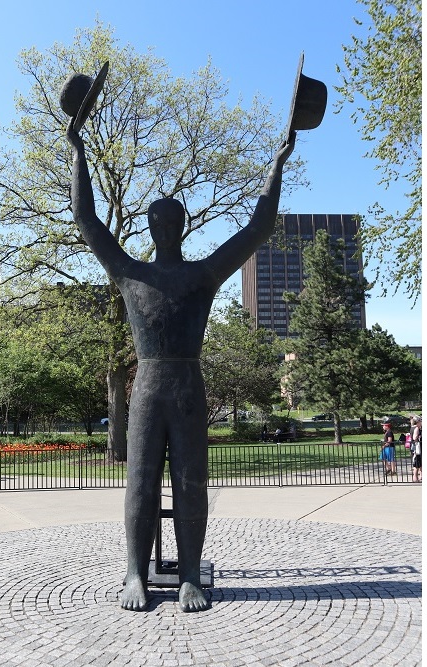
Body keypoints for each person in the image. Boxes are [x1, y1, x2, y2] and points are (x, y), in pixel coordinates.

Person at [66, 111, 297, 613]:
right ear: (150, 227)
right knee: (141, 480)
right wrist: (77, 149)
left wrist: (278, 164)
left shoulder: (203, 274)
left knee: (192, 480)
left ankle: (191, 573)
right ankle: (134, 572)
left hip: (188, 384)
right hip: (147, 384)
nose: (166, 227)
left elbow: (258, 228)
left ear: (183, 225)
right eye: (158, 221)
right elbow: (86, 220)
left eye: (174, 220)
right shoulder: (129, 272)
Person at [410, 416, 422, 483]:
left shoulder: (412, 427)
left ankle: (416, 478)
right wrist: (418, 437)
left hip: (413, 447)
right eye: (420, 421)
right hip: (416, 447)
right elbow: (414, 438)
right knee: (416, 463)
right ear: (418, 422)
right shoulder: (416, 428)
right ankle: (415, 478)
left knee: (416, 462)